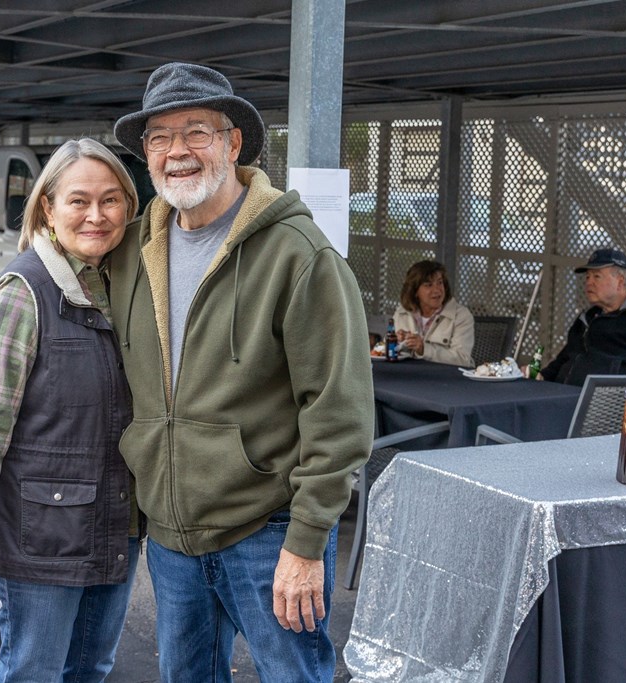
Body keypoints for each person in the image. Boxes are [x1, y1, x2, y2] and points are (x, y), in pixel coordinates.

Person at [110, 62, 374, 682]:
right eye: (159, 137)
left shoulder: (299, 255)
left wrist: (308, 542)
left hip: (270, 531)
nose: (177, 151)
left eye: (196, 131)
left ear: (233, 143)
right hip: (173, 535)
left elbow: (339, 413)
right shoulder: (131, 252)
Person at [0, 138, 142, 683]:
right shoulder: (21, 293)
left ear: (129, 205)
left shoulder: (122, 288)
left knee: (91, 669)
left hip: (114, 525)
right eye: (79, 201)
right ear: (47, 208)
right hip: (42, 537)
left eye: (110, 200)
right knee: (34, 672)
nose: (96, 216)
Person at [537, 248, 626, 385]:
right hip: (562, 396)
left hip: (612, 403)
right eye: (587, 277)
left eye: (597, 276)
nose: (589, 282)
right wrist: (542, 375)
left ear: (620, 282)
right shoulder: (587, 317)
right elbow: (566, 357)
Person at [393, 260, 475, 366]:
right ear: (415, 291)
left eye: (440, 283)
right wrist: (396, 342)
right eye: (429, 285)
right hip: (409, 378)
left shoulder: (461, 315)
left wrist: (424, 349)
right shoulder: (401, 313)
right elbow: (386, 351)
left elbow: (462, 359)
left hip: (447, 379)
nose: (437, 290)